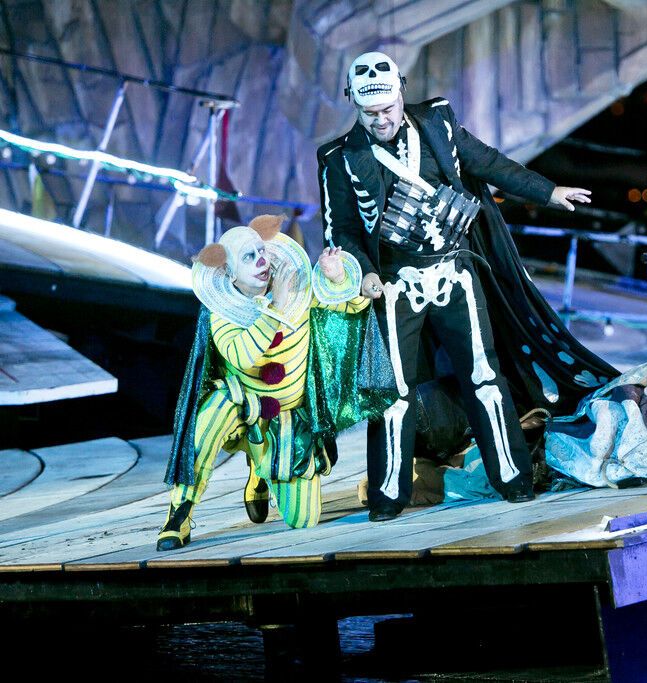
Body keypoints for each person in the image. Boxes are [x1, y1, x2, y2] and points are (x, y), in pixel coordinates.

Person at [317, 52, 617, 522]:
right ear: (353, 104)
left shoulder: (438, 122)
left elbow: (489, 163)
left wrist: (549, 191)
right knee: (394, 393)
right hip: (395, 285)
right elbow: (343, 231)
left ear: (402, 93)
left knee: (484, 376)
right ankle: (387, 496)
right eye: (369, 112)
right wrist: (362, 273)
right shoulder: (339, 157)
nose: (381, 120)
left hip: (454, 272)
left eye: (388, 108)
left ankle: (514, 480)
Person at [158, 214, 381, 550]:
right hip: (243, 409)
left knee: (303, 520)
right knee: (208, 418)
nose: (261, 261)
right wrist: (276, 305)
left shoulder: (297, 285)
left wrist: (339, 278)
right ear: (229, 271)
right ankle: (180, 512)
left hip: (288, 416)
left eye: (261, 251)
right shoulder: (222, 312)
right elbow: (243, 355)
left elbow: (348, 305)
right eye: (249, 257)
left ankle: (260, 469)